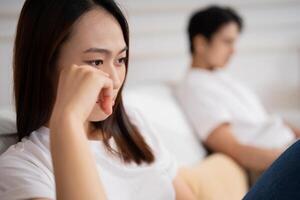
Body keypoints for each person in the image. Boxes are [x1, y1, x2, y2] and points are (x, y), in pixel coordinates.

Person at [0, 0, 196, 199]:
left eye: (120, 60)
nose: (116, 80)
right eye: (96, 62)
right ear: (46, 66)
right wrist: (69, 119)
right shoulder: (20, 169)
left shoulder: (134, 124)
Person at [176, 5, 300, 173]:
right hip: (277, 163)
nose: (234, 50)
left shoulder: (220, 76)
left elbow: (265, 121)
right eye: (227, 42)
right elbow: (236, 150)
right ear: (200, 43)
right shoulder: (195, 87)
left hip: (289, 148)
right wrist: (291, 162)